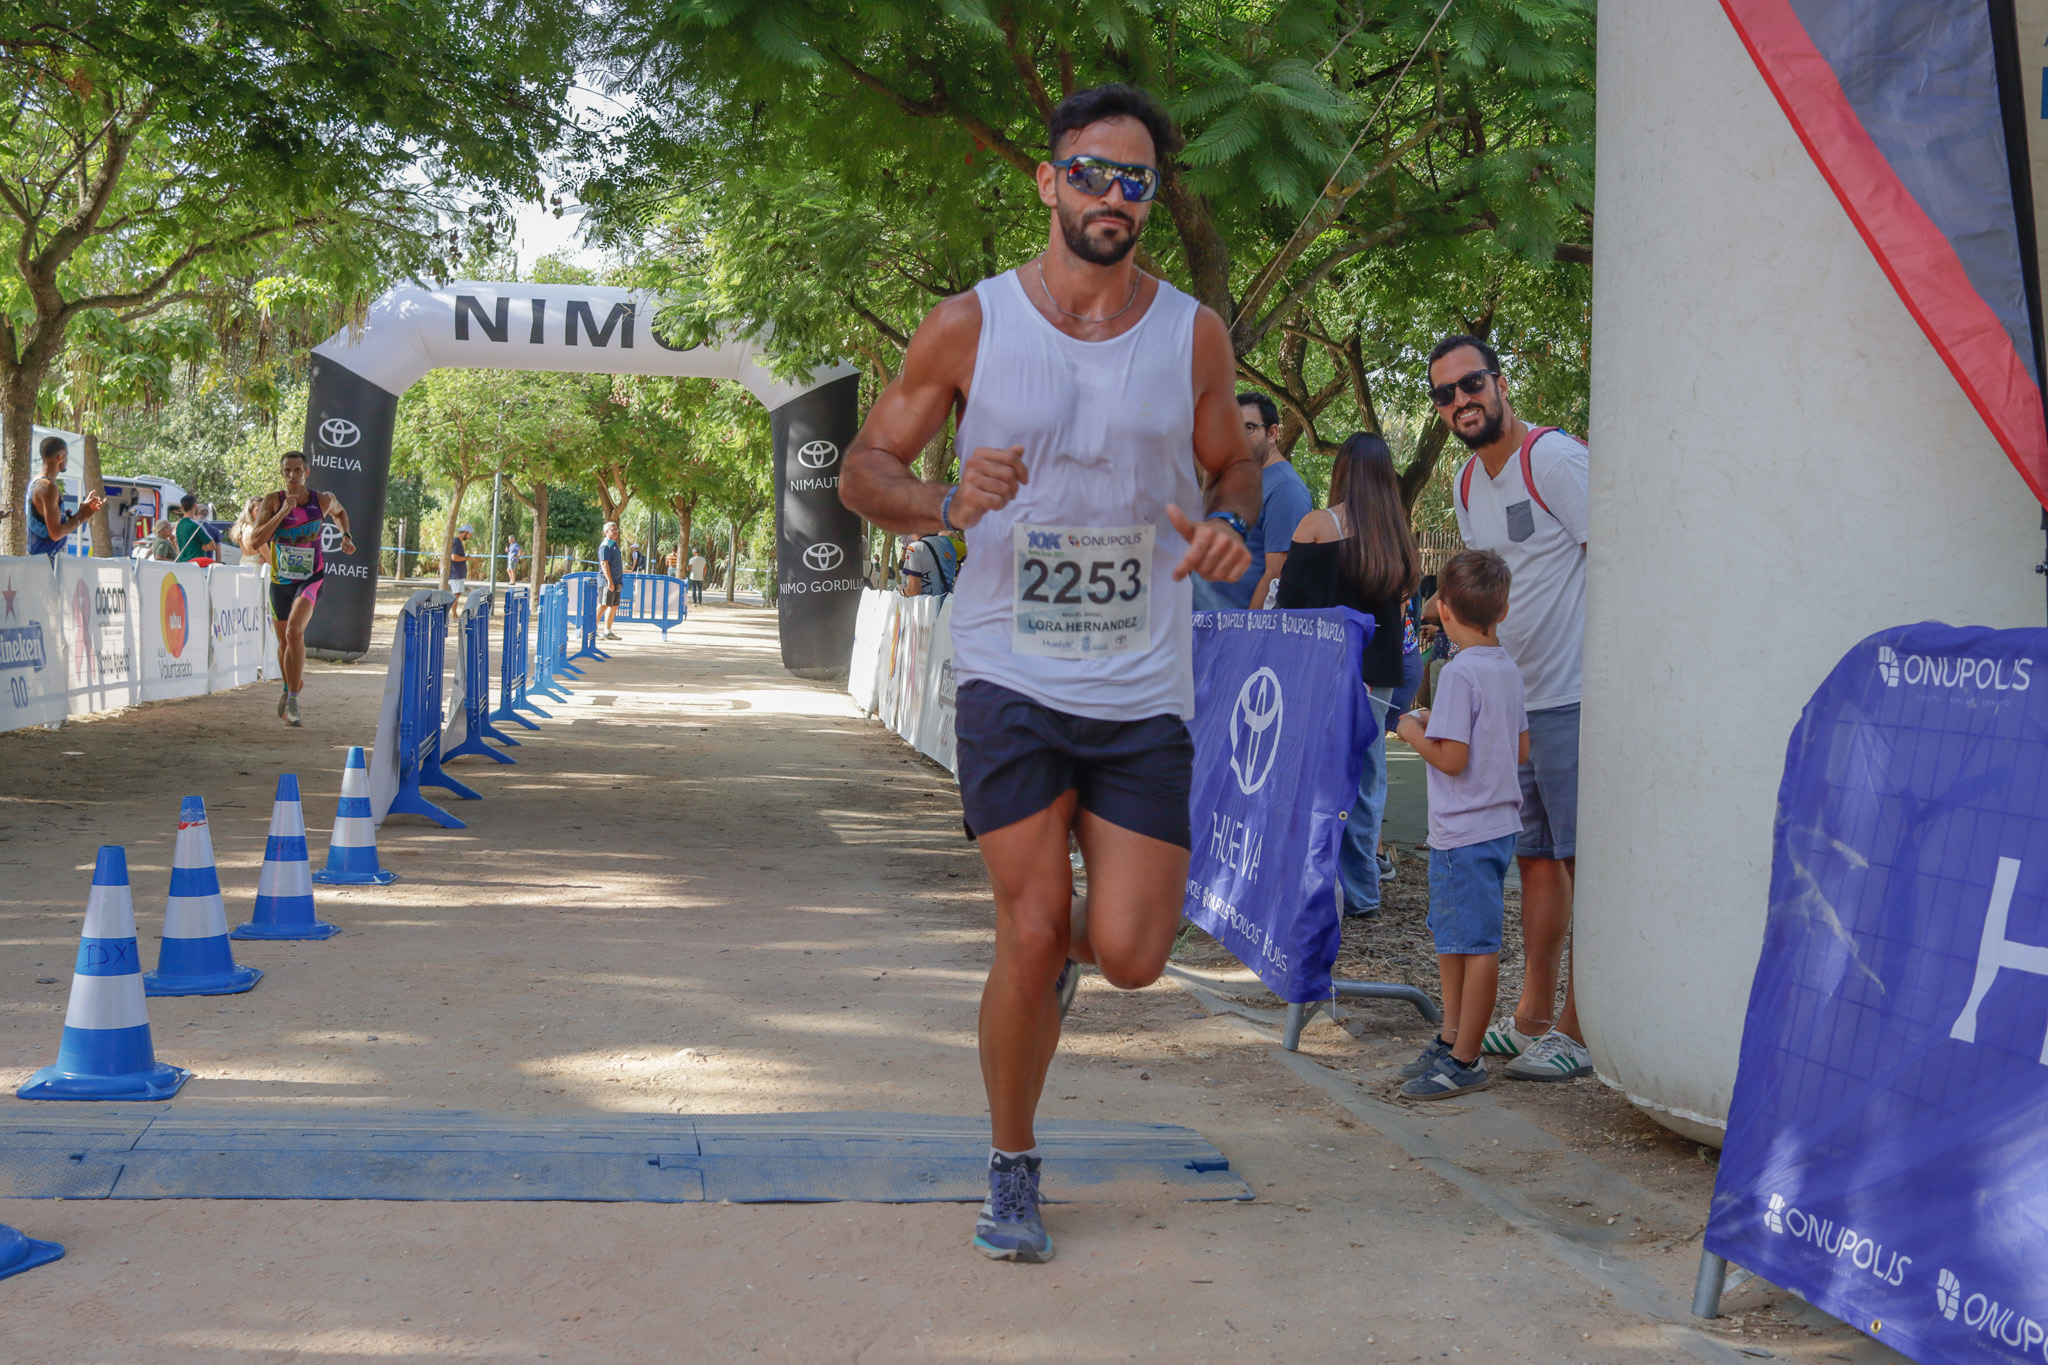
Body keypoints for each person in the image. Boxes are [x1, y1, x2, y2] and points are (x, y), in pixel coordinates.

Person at [839, 83, 1258, 1264]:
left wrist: (1231, 525)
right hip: (1008, 672)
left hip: (1141, 685)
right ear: (1047, 181)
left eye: (1134, 181)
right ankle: (1012, 1163)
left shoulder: (1191, 334)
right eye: (1089, 173)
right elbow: (865, 467)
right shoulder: (968, 324)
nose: (1110, 196)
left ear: (1152, 199)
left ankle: (1056, 977)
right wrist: (942, 498)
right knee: (1028, 929)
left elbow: (1229, 464)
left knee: (1129, 954)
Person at [1425, 333, 1593, 1083]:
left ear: (1499, 381)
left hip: (1576, 695)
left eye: (1472, 384)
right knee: (1535, 861)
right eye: (1445, 394)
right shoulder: (1466, 483)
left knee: (1585, 863)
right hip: (1514, 707)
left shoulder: (1552, 460)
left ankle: (1581, 1027)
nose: (1462, 400)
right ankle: (1531, 1017)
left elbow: (1618, 555)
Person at [1392, 550, 1529, 1099]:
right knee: (1455, 938)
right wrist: (1439, 723)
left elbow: (1450, 759)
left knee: (1474, 945)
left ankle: (1467, 1058)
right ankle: (1451, 1039)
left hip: (1463, 832)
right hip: (1495, 826)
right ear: (1503, 610)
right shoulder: (1506, 668)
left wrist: (1410, 730)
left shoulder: (1457, 672)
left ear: (1444, 610)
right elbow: (1519, 748)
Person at [1275, 432, 1420, 919]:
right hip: (1377, 673)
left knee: (1315, 776)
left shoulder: (1317, 525)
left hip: (1323, 670)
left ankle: (1315, 884)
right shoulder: (1396, 535)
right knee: (1367, 779)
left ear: (1342, 471)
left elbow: (1290, 603)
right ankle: (1361, 890)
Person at [248, 451, 353, 726]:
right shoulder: (273, 501)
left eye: (297, 470)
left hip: (311, 577)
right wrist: (283, 513)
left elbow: (340, 512)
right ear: (282, 474)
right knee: (284, 644)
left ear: (306, 473)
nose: (292, 476)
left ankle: (293, 701)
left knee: (295, 631)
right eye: (287, 471)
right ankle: (289, 687)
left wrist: (346, 535)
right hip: (280, 581)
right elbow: (256, 540)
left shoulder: (322, 500)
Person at [1196, 392, 1312, 613]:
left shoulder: (1285, 488)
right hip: (1200, 624)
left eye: (1248, 428)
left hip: (1234, 627)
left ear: (1272, 433)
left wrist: (1246, 630)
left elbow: (1276, 574)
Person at [24, 435, 104, 557]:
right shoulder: (48, 487)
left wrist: (80, 513)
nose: (67, 460)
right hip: (46, 562)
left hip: (40, 561)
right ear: (60, 457)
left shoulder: (37, 482)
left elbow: (56, 526)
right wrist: (82, 517)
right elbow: (56, 534)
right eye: (66, 455)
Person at [899, 530, 965, 598]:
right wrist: (956, 538)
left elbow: (914, 591)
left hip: (929, 602)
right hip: (948, 600)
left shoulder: (915, 547)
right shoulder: (949, 542)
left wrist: (902, 590)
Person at [167, 494, 217, 563]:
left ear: (182, 508)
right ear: (195, 506)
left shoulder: (179, 525)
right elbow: (212, 546)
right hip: (196, 563)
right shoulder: (196, 525)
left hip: (182, 562)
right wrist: (205, 546)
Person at [598, 522, 624, 639]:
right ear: (606, 532)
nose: (616, 532)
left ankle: (607, 631)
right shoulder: (605, 546)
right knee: (603, 605)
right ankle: (590, 630)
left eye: (616, 529)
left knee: (613, 606)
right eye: (613, 530)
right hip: (607, 581)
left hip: (617, 580)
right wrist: (609, 581)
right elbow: (604, 564)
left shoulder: (614, 545)